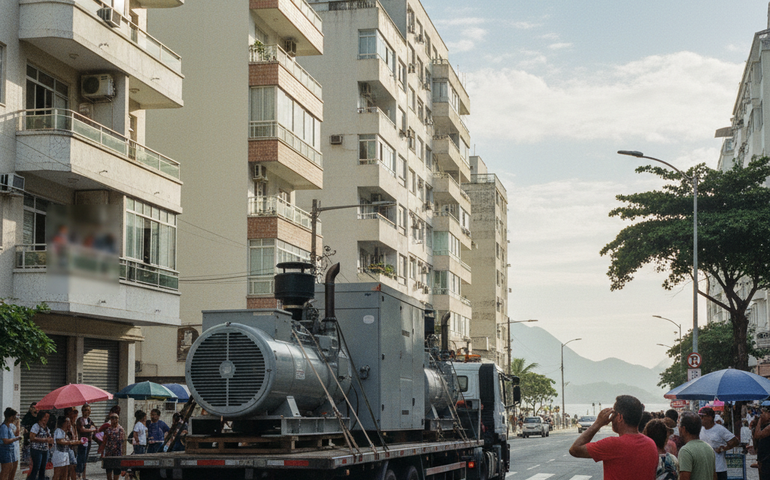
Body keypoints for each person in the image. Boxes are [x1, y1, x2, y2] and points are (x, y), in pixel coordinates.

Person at [569, 395, 659, 480]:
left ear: (620, 417)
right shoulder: (651, 443)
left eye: (613, 415)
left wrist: (598, 423)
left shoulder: (613, 444)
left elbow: (575, 449)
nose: (611, 419)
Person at [699, 407, 740, 480]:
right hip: (705, 467)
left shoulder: (719, 429)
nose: (701, 418)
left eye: (703, 416)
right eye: (700, 416)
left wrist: (724, 448)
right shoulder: (700, 430)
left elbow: (735, 441)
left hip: (718, 467)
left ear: (710, 417)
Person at [678, 412, 715, 480]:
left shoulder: (686, 451)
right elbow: (714, 476)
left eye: (679, 426)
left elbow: (684, 477)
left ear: (683, 429)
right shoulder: (709, 448)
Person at [27, 411, 53, 480]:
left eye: (48, 417)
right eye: (45, 417)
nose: (46, 419)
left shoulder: (46, 428)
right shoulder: (36, 426)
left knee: (43, 469)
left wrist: (50, 441)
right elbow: (32, 437)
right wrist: (44, 440)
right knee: (36, 467)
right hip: (36, 450)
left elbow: (49, 437)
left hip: (45, 450)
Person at [101, 414, 125, 480]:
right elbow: (104, 441)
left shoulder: (121, 429)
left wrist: (124, 455)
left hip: (117, 454)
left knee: (116, 472)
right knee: (108, 472)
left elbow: (123, 443)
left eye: (116, 418)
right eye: (112, 418)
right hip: (109, 453)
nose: (114, 420)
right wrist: (102, 452)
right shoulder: (108, 430)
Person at [76, 405, 96, 480]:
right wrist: (91, 429)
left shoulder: (89, 420)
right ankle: (78, 475)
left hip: (89, 441)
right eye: (84, 410)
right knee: (81, 458)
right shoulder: (80, 420)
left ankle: (84, 476)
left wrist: (91, 429)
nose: (86, 412)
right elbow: (82, 430)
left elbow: (95, 428)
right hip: (82, 442)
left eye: (88, 410)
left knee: (85, 459)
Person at [1, 408, 21, 480]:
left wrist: (18, 423)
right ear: (10, 417)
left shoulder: (10, 426)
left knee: (11, 470)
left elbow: (16, 433)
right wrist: (16, 439)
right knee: (5, 471)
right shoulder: (4, 427)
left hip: (11, 451)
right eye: (13, 417)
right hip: (5, 451)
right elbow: (5, 440)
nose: (14, 418)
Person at [752, 406, 770, 480]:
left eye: (764, 413)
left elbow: (758, 435)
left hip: (767, 461)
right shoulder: (764, 425)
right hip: (763, 460)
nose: (762, 415)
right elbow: (755, 439)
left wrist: (760, 420)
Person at [63, 408, 79, 480]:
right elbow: (71, 435)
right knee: (69, 466)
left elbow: (75, 435)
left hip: (73, 446)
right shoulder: (67, 422)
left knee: (73, 465)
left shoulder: (73, 424)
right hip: (68, 447)